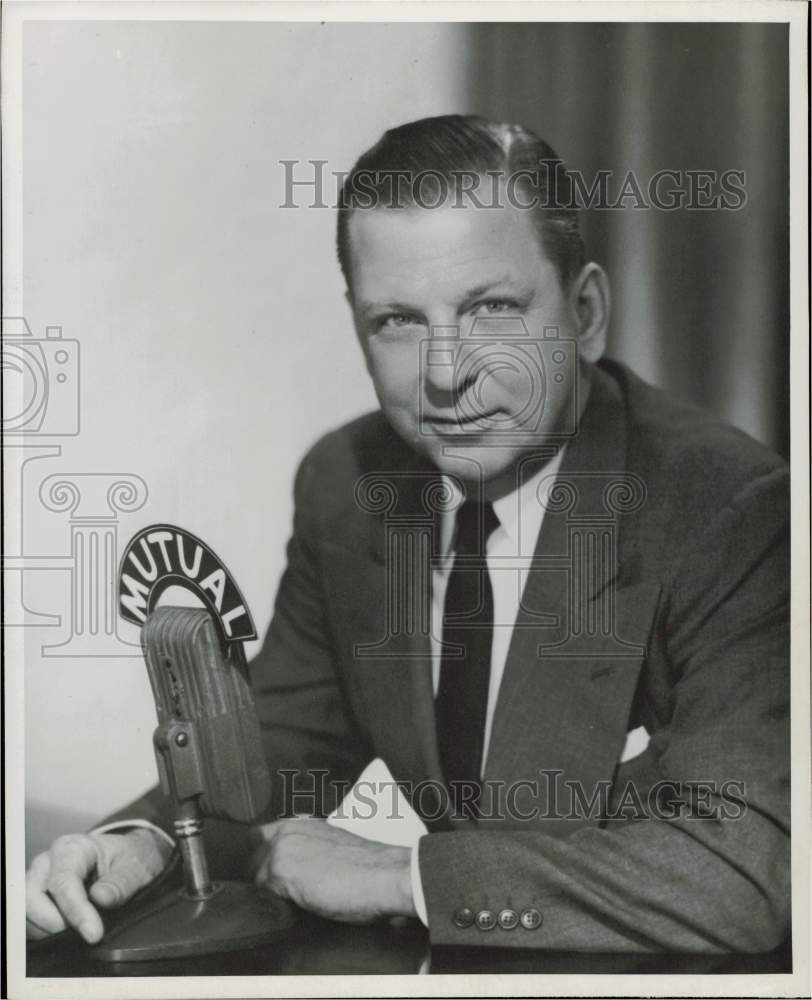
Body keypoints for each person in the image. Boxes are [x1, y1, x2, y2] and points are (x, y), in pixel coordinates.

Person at [26, 115, 790, 952]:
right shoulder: (347, 483)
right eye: (397, 320)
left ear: (586, 313)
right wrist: (144, 846)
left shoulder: (733, 510)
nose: (443, 372)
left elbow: (740, 872)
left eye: (491, 307)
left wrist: (403, 876)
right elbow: (282, 742)